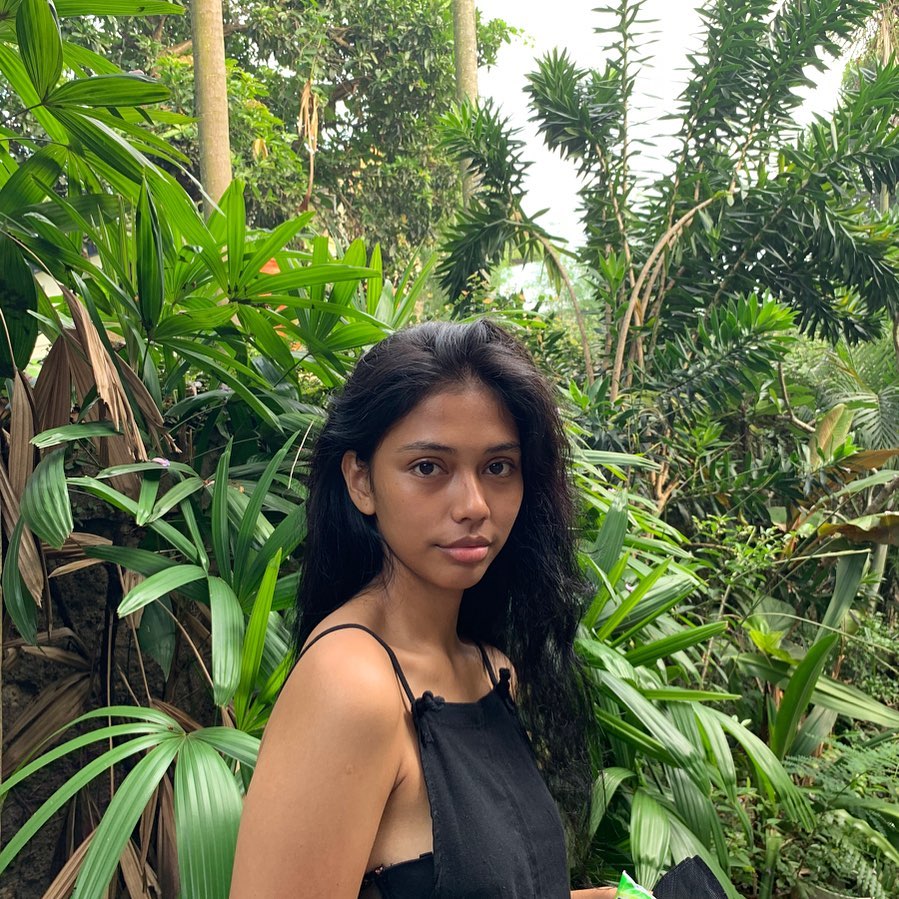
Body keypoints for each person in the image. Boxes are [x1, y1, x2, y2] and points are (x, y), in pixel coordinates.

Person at [230, 320, 617, 898]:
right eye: (429, 467)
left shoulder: (493, 670)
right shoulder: (352, 686)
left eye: (498, 467)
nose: (474, 505)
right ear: (361, 481)